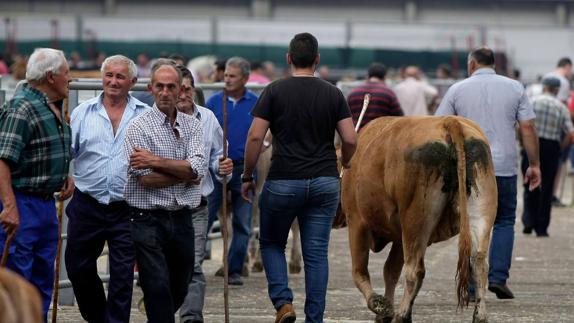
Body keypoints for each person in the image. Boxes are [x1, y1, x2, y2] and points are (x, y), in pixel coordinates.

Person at [241, 32, 357, 323]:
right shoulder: (333, 93)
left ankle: (283, 302)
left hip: (283, 180)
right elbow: (351, 139)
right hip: (324, 181)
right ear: (317, 60)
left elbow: (255, 137)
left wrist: (247, 174)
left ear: (289, 59)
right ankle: (314, 318)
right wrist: (347, 161)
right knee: (316, 254)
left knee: (271, 243)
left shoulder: (274, 90)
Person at [436, 47, 541, 299]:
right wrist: (534, 164)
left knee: (472, 222)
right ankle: (497, 278)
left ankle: (472, 286)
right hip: (503, 166)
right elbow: (527, 127)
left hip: (469, 166)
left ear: (472, 64)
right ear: (493, 64)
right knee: (504, 220)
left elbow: (439, 126)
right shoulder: (515, 87)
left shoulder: (457, 89)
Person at [65, 55, 149, 323]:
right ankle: (99, 317)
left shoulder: (144, 116)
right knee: (78, 267)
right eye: (109, 75)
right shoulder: (82, 112)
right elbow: (70, 152)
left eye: (120, 77)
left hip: (127, 206)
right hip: (87, 202)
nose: (113, 81)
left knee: (123, 275)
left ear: (132, 82)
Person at [123, 59, 206, 323]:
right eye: (160, 86)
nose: (166, 92)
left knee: (181, 283)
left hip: (182, 216)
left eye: (172, 87)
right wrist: (185, 173)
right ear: (151, 88)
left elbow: (198, 167)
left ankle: (158, 315)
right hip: (147, 216)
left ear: (181, 89)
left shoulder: (193, 125)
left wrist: (155, 161)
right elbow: (145, 179)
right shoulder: (138, 126)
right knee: (156, 283)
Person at [0, 47, 74, 320]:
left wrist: (64, 172)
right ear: (52, 76)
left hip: (43, 203)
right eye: (66, 73)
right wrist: (9, 207)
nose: (70, 78)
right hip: (22, 202)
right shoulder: (21, 109)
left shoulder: (50, 108)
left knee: (43, 274)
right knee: (19, 276)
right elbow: (2, 160)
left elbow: (42, 151)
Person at [176, 65, 233, 323]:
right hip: (159, 206)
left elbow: (218, 161)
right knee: (162, 266)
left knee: (195, 263)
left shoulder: (208, 118)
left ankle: (191, 317)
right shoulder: (153, 120)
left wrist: (224, 168)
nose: (184, 93)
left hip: (197, 203)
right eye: (179, 88)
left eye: (188, 88)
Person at [206, 56, 258, 286]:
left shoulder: (256, 104)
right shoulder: (214, 102)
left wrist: (264, 144)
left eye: (232, 76)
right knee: (204, 218)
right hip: (216, 167)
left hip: (244, 169)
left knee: (242, 222)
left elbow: (265, 132)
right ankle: (191, 265)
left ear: (245, 78)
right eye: (225, 75)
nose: (226, 79)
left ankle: (234, 268)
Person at [521, 77, 574, 237]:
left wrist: (523, 142)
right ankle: (542, 227)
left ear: (543, 87)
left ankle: (529, 221)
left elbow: (521, 124)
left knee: (529, 182)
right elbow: (571, 133)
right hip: (551, 147)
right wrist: (560, 146)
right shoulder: (560, 107)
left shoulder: (531, 101)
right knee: (548, 187)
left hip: (531, 145)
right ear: (557, 90)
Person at [347, 62, 403, 130]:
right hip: (379, 137)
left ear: (368, 76)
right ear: (385, 77)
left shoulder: (353, 93)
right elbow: (400, 118)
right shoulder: (388, 93)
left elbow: (345, 119)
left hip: (357, 136)